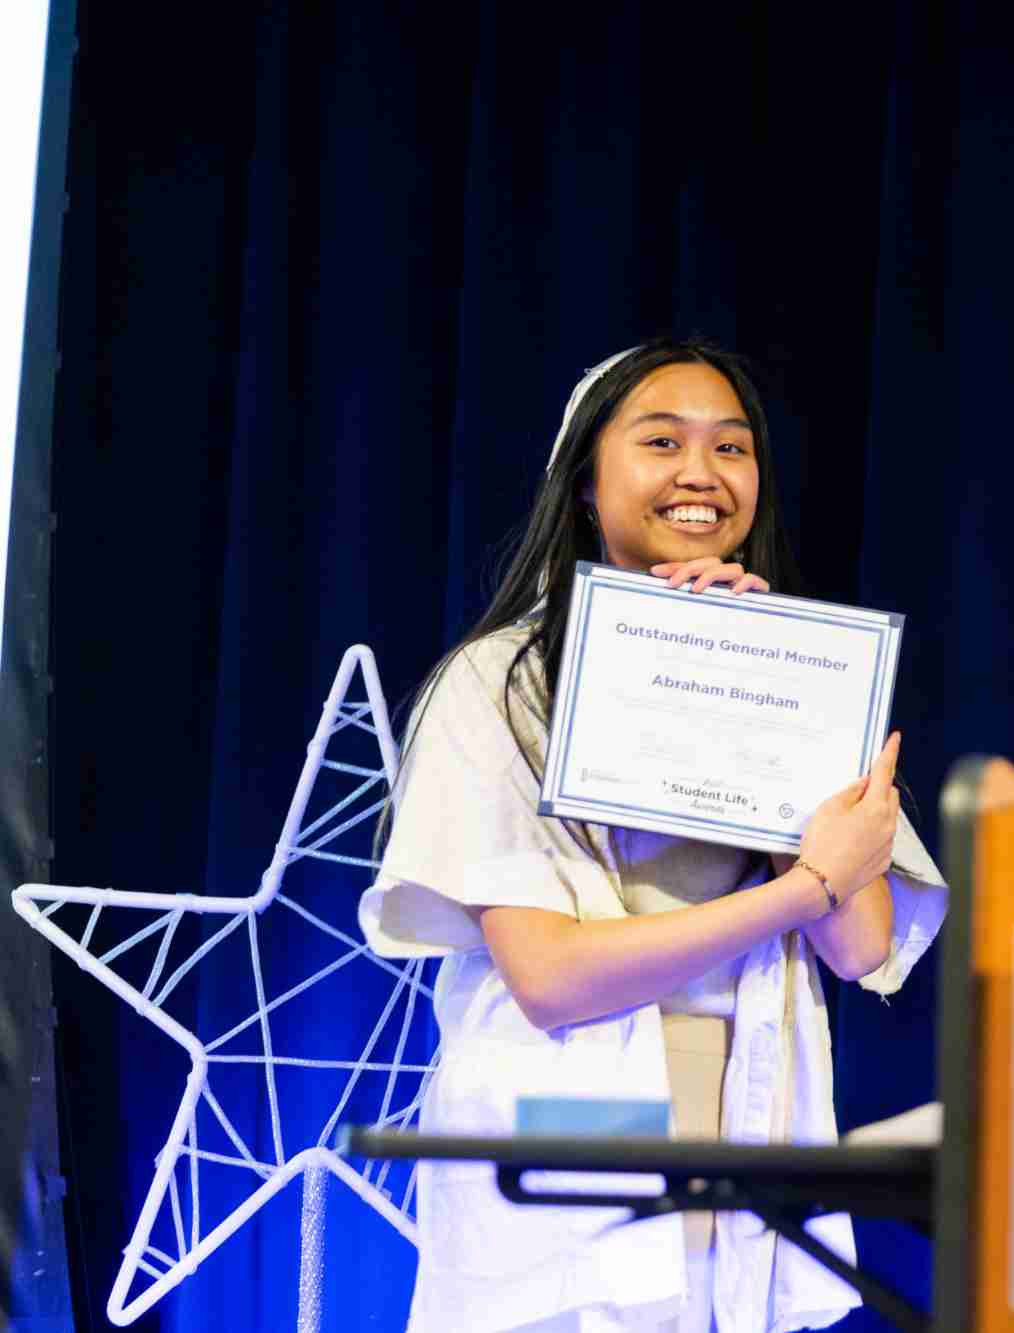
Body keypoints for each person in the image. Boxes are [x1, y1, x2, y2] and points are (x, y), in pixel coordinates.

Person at [359, 337, 948, 1333]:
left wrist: (765, 699)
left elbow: (860, 948)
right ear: (585, 482)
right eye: (661, 441)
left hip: (751, 1103)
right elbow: (549, 979)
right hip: (572, 1114)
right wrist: (800, 889)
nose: (700, 473)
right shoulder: (501, 685)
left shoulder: (800, 674)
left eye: (732, 448)